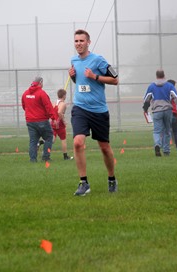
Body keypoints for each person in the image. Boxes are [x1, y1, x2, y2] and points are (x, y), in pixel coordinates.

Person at [68, 29, 119, 196]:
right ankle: (84, 183)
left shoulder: (98, 60)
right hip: (80, 107)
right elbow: (79, 82)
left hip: (98, 111)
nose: (79, 44)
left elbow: (115, 79)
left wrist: (95, 76)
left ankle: (111, 178)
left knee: (104, 147)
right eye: (76, 41)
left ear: (88, 42)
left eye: (82, 41)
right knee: (77, 142)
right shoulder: (73, 60)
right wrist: (74, 76)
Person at [143, 69, 177, 156]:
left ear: (156, 76)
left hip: (156, 111)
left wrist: (145, 109)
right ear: (164, 76)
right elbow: (176, 97)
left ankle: (157, 144)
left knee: (157, 131)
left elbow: (146, 99)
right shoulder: (169, 85)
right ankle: (166, 151)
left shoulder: (151, 86)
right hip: (167, 110)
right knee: (167, 131)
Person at [22, 76, 57, 162]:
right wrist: (54, 118)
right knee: (49, 137)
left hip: (30, 121)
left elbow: (24, 106)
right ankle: (46, 157)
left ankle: (33, 159)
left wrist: (30, 114)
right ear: (40, 83)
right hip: (42, 120)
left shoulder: (25, 93)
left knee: (33, 141)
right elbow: (48, 107)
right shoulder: (42, 93)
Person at [50, 88, 73, 160]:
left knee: (52, 140)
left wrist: (53, 120)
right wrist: (63, 121)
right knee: (63, 139)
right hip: (59, 124)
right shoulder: (63, 104)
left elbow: (52, 112)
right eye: (65, 95)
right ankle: (65, 156)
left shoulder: (54, 103)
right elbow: (59, 112)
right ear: (64, 96)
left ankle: (41, 142)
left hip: (53, 123)